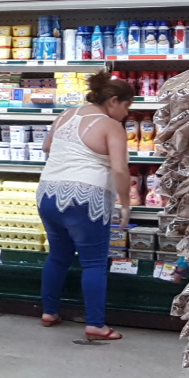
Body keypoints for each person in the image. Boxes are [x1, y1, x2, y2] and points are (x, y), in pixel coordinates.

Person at [35, 72, 136, 342]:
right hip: (85, 198)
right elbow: (120, 169)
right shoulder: (111, 126)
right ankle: (95, 325)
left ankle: (49, 311)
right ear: (113, 101)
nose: (126, 113)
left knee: (58, 256)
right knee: (94, 263)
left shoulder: (66, 114)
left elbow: (47, 147)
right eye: (127, 106)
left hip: (48, 193)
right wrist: (125, 204)